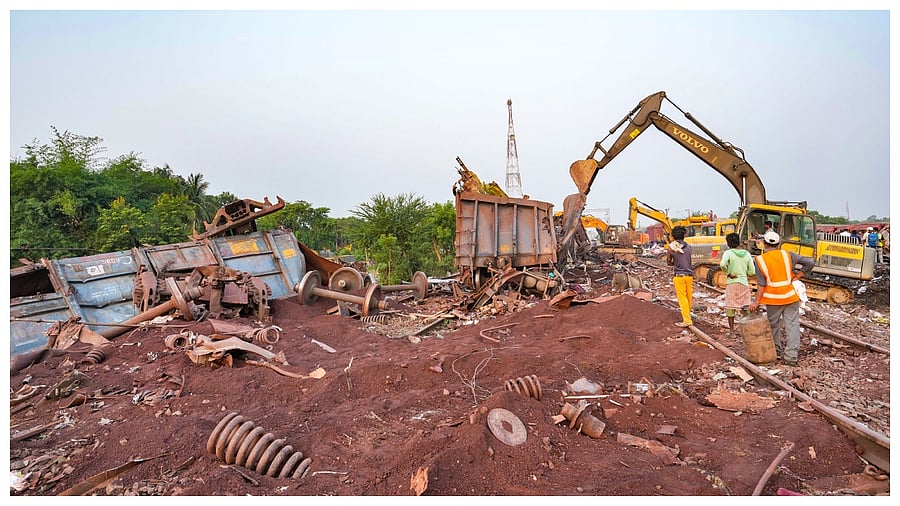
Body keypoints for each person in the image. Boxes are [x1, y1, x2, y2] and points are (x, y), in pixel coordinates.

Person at [749, 231, 815, 366]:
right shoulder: (787, 254)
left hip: (774, 300)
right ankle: (791, 357)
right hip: (791, 296)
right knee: (792, 325)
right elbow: (809, 263)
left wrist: (756, 301)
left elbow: (761, 285)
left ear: (764, 244)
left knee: (773, 325)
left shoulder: (760, 260)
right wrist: (797, 276)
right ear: (779, 243)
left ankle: (776, 351)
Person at [719, 233, 755, 337]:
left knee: (731, 306)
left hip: (732, 282)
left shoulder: (728, 253)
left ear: (728, 243)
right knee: (745, 305)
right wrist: (744, 274)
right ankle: (746, 331)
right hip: (744, 283)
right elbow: (752, 271)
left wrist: (728, 273)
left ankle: (732, 332)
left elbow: (722, 264)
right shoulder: (747, 254)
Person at [667, 225, 693, 327]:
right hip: (689, 275)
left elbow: (669, 262)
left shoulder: (671, 248)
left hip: (679, 276)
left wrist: (673, 260)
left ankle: (687, 320)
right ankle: (688, 316)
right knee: (688, 298)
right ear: (684, 235)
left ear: (673, 236)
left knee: (682, 298)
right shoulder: (689, 247)